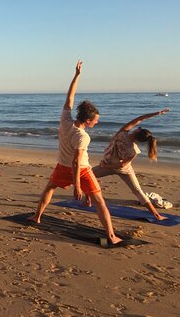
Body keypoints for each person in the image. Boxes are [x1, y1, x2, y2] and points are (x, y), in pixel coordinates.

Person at [28, 61, 122, 246]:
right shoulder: (82, 137)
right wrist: (77, 187)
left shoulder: (65, 121)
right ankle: (111, 236)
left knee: (49, 188)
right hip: (81, 170)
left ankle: (36, 217)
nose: (97, 123)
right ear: (87, 120)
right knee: (100, 201)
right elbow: (76, 162)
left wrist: (77, 76)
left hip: (61, 167)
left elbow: (69, 98)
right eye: (95, 121)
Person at [86, 109, 170, 220]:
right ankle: (157, 215)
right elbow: (122, 165)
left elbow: (139, 118)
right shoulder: (134, 151)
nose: (137, 128)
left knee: (87, 177)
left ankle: (87, 199)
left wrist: (157, 113)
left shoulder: (122, 133)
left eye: (138, 128)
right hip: (122, 169)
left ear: (136, 132)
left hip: (111, 166)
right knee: (138, 191)